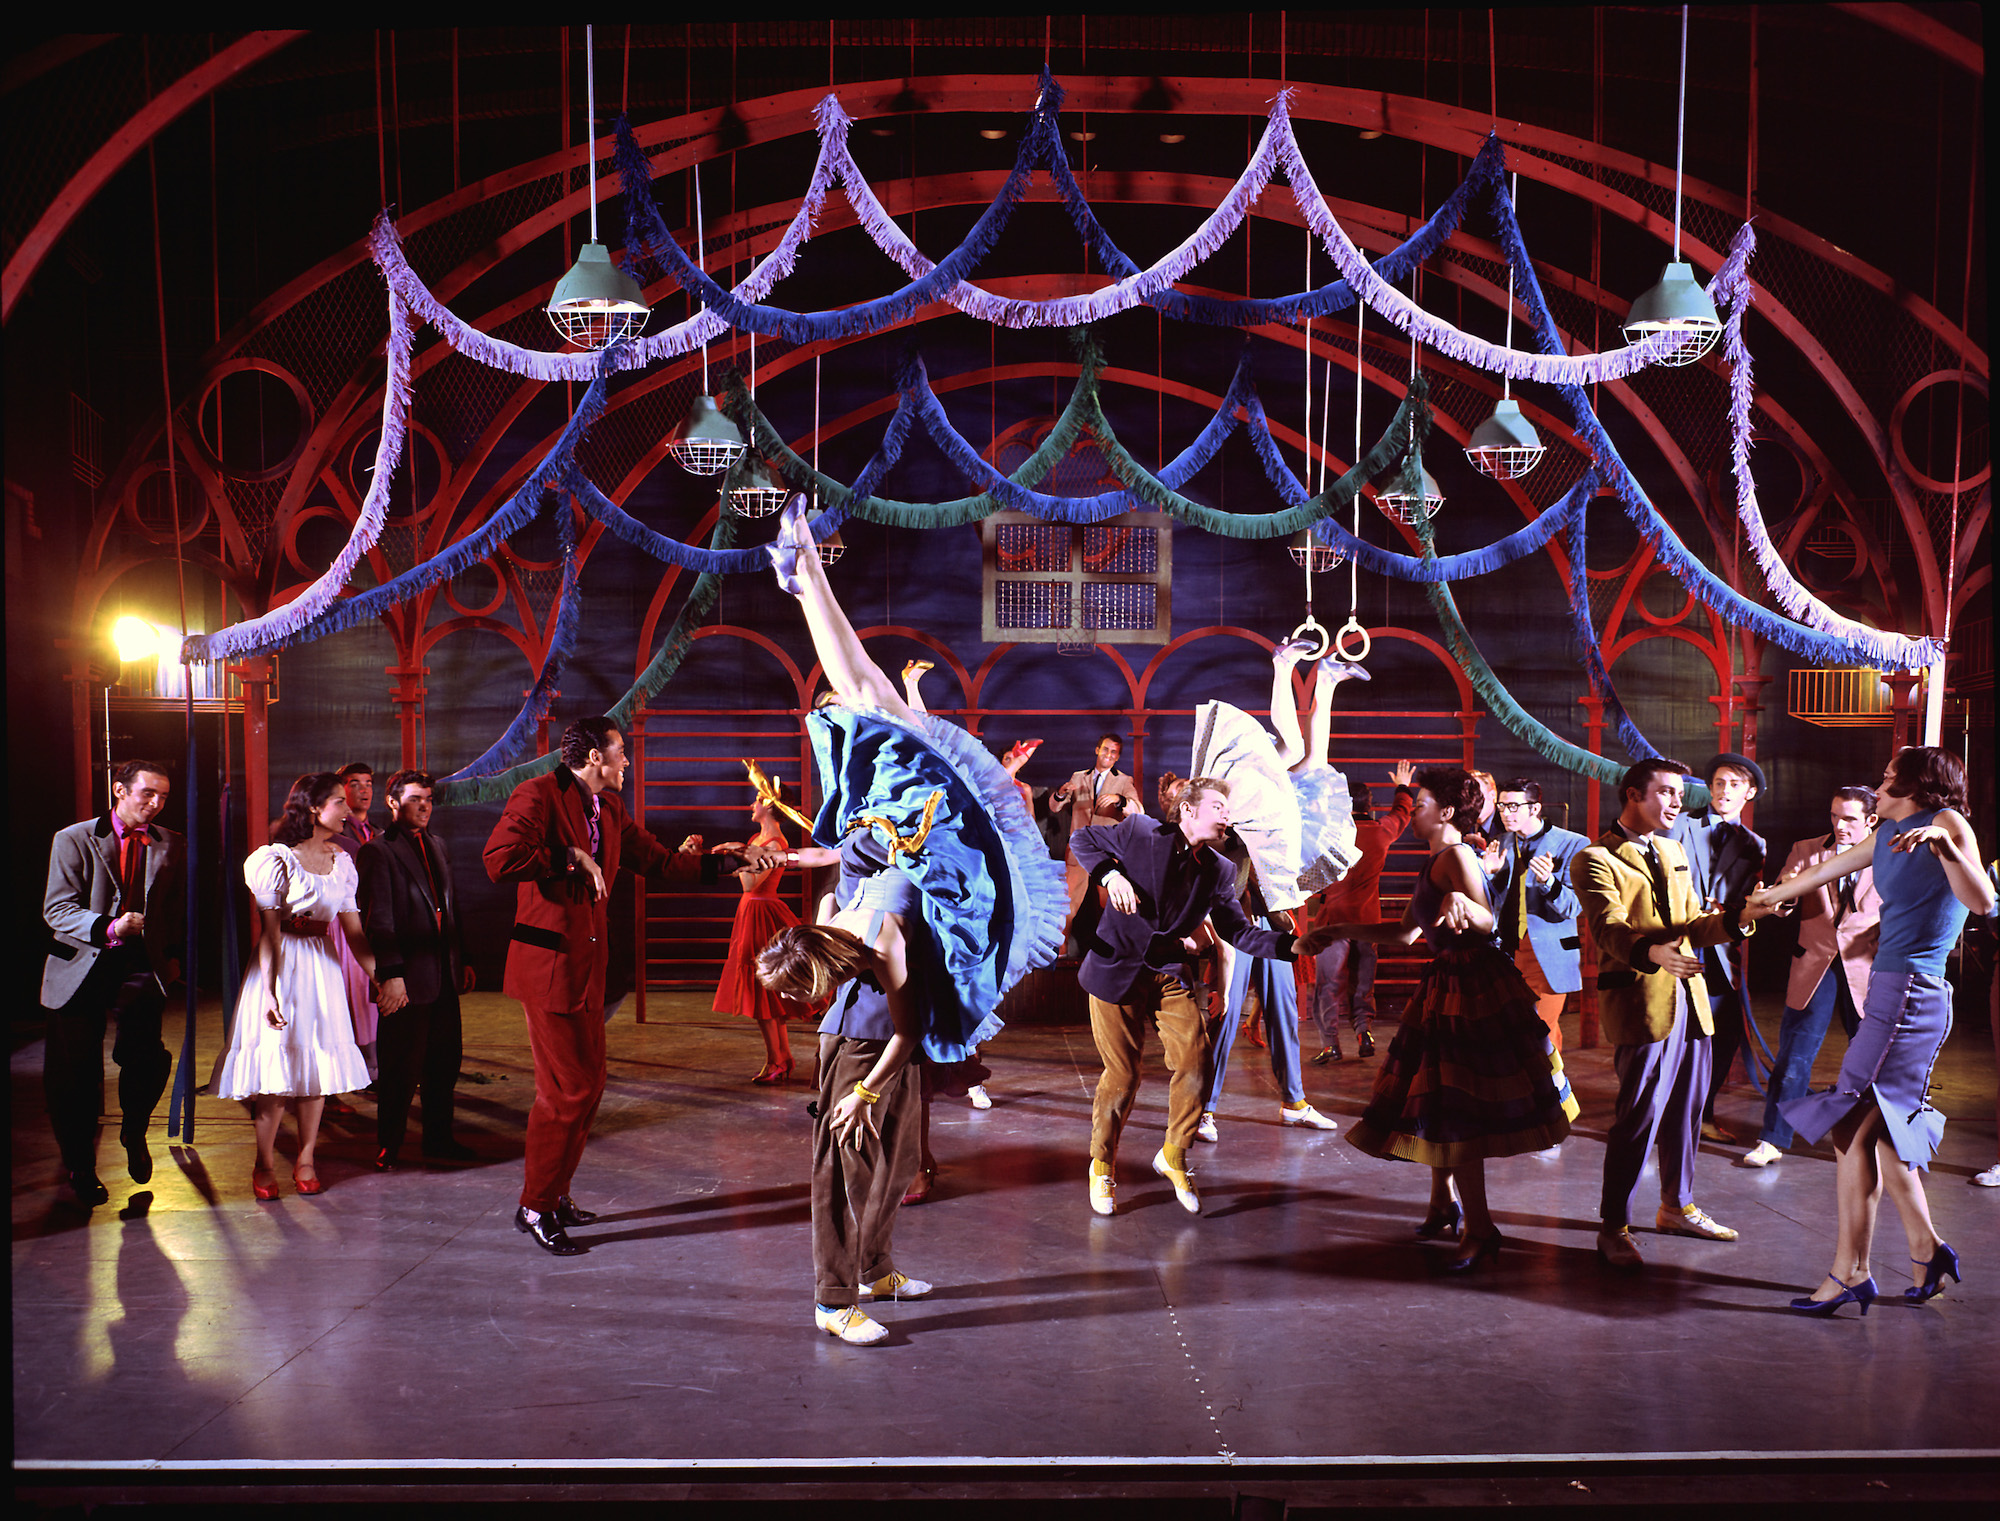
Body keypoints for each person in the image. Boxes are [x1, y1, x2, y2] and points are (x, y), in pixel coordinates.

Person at [755, 497, 1064, 1342]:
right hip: (872, 1040)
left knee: (893, 1162)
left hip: (894, 1031)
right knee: (848, 1160)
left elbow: (868, 693)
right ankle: (832, 1295)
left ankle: (877, 1264)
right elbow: (897, 1017)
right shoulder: (874, 918)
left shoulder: (856, 881)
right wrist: (860, 1084)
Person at [1749, 747, 1994, 1314]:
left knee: (1853, 1127)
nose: (1877, 788)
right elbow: (1825, 870)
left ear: (1918, 786)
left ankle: (1851, 1271)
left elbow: (1982, 900)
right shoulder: (1885, 834)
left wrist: (1946, 845)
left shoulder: (1946, 823)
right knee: (1874, 1137)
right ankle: (1923, 1251)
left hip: (1911, 994)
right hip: (1891, 991)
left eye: (1887, 780)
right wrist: (1765, 899)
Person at [1334, 767, 1579, 1271]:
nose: (1411, 808)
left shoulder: (1457, 856)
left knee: (1458, 1106)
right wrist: (1336, 929)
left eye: (1418, 801)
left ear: (1444, 812)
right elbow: (1403, 936)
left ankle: (1481, 1228)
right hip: (1446, 982)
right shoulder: (1435, 860)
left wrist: (1460, 899)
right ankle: (1443, 1202)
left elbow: (1487, 920)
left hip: (1472, 987)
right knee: (1440, 1099)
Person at [483, 716, 709, 1254]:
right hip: (550, 970)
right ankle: (534, 1206)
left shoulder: (608, 809)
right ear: (592, 758)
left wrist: (723, 864)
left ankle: (555, 1195)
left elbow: (657, 860)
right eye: (620, 752)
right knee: (567, 1091)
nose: (627, 761)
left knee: (589, 1087)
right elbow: (499, 860)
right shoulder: (537, 795)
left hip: (589, 970)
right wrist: (569, 857)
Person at [1070, 775, 1322, 1217]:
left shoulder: (1221, 869)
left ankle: (1173, 1154)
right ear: (1188, 810)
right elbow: (1082, 838)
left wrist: (1289, 946)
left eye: (1228, 810)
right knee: (1124, 1075)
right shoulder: (1140, 831)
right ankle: (1102, 1163)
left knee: (1196, 1060)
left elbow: (1236, 930)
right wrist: (1111, 874)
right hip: (1117, 969)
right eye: (1218, 808)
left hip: (1167, 970)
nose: (1227, 816)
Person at [1572, 758, 1776, 1270]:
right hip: (1644, 1004)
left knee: (1687, 1114)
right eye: (1664, 793)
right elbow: (1609, 929)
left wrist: (1742, 918)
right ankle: (1613, 1226)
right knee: (1637, 1120)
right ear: (1633, 794)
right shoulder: (1596, 857)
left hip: (1692, 1002)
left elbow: (1694, 923)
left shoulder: (1672, 848)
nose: (1676, 803)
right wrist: (1651, 953)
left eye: (1679, 795)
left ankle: (1675, 1206)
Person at [215, 772, 379, 1199]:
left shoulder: (342, 862)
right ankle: (264, 1162)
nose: (348, 809)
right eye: (339, 802)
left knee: (316, 1070)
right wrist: (269, 991)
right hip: (282, 963)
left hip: (322, 967)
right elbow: (269, 934)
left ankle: (306, 1158)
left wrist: (380, 974)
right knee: (277, 1071)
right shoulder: (276, 859)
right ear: (314, 809)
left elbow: (355, 932)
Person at [40, 759, 184, 1205]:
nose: (156, 803)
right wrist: (109, 927)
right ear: (119, 790)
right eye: (147, 793)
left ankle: (134, 1131)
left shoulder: (170, 843)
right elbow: (57, 909)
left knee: (147, 1057)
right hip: (81, 963)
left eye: (163, 795)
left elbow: (176, 908)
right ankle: (80, 1166)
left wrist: (173, 958)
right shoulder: (74, 838)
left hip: (139, 966)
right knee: (75, 1073)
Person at [1736, 786, 1881, 1169]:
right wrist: (1784, 890)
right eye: (1834, 816)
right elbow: (1782, 901)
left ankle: (1873, 1140)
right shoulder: (1807, 849)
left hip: (1866, 966)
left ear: (1871, 820)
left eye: (1849, 818)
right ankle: (1772, 1139)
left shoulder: (1889, 853)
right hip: (1815, 963)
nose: (1839, 825)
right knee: (1794, 1056)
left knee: (1871, 1058)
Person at [357, 769, 478, 1171]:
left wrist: (463, 961)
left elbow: (452, 910)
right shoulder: (379, 850)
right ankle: (387, 1146)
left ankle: (439, 1140)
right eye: (414, 799)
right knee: (400, 1069)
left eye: (427, 799)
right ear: (393, 803)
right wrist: (391, 975)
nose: (424, 806)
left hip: (442, 972)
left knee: (445, 1063)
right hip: (406, 979)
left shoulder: (439, 845)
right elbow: (381, 920)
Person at [1671, 753, 1770, 1140]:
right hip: (1675, 942)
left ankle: (1702, 1116)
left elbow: (1745, 901)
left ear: (1750, 793)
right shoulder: (1678, 826)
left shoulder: (1754, 844)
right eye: (1718, 782)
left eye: (1734, 784)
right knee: (1670, 1035)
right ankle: (1659, 1118)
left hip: (1718, 951)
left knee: (1719, 1036)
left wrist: (1735, 911)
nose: (1724, 791)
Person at [1301, 764, 1416, 1064]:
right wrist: (1403, 788)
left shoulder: (1330, 837)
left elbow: (1311, 877)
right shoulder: (1381, 833)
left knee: (1328, 984)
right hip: (1368, 922)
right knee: (1364, 981)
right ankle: (1364, 1031)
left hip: (1333, 921)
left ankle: (1330, 1044)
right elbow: (1402, 813)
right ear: (1370, 805)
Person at [714, 763, 812, 1083]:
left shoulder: (772, 845)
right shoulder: (759, 839)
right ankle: (780, 1058)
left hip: (761, 914)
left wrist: (739, 852)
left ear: (769, 805)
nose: (752, 804)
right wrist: (737, 850)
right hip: (751, 913)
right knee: (765, 993)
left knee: (764, 992)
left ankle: (777, 1061)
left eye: (757, 799)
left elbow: (750, 885)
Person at [1485, 777, 1590, 1059]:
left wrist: (1549, 882)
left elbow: (1574, 907)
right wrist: (1491, 875)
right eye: (1502, 806)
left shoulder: (1574, 844)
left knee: (1539, 1030)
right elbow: (1497, 902)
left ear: (1535, 808)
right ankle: (1547, 1095)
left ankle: (1550, 1095)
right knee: (1517, 1031)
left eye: (1513, 806)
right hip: (1508, 950)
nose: (1506, 813)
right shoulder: (1501, 842)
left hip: (1550, 951)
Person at [1052, 733, 1145, 932]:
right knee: (1067, 902)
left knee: (1111, 903)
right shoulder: (1078, 777)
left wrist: (1120, 800)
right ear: (1097, 750)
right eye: (1106, 749)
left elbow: (1139, 811)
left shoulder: (1124, 781)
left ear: (1118, 756)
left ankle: (1114, 950)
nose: (1109, 755)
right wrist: (1060, 794)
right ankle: (1061, 949)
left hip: (1107, 853)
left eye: (1114, 752)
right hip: (1078, 852)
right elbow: (1055, 808)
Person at [330, 762, 382, 1084]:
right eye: (355, 783)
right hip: (343, 924)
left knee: (370, 994)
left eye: (368, 783)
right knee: (351, 994)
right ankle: (360, 1068)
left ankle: (375, 1064)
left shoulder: (378, 833)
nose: (363, 790)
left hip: (373, 919)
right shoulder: (334, 836)